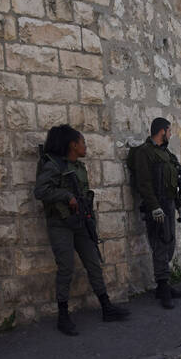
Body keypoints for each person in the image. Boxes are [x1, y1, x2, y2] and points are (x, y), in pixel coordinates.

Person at [34, 124, 130, 336]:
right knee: (66, 268)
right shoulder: (53, 166)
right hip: (60, 223)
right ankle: (63, 315)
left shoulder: (78, 167)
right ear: (72, 145)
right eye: (82, 142)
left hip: (80, 222)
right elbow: (40, 191)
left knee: (93, 263)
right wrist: (66, 196)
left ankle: (106, 306)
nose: (85, 146)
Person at [132, 118, 181, 309]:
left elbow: (174, 183)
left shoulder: (166, 154)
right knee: (161, 244)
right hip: (157, 206)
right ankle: (162, 287)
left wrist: (179, 205)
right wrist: (154, 206)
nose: (170, 134)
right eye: (169, 131)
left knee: (169, 244)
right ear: (162, 131)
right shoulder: (144, 152)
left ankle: (165, 284)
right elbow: (144, 183)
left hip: (169, 204)